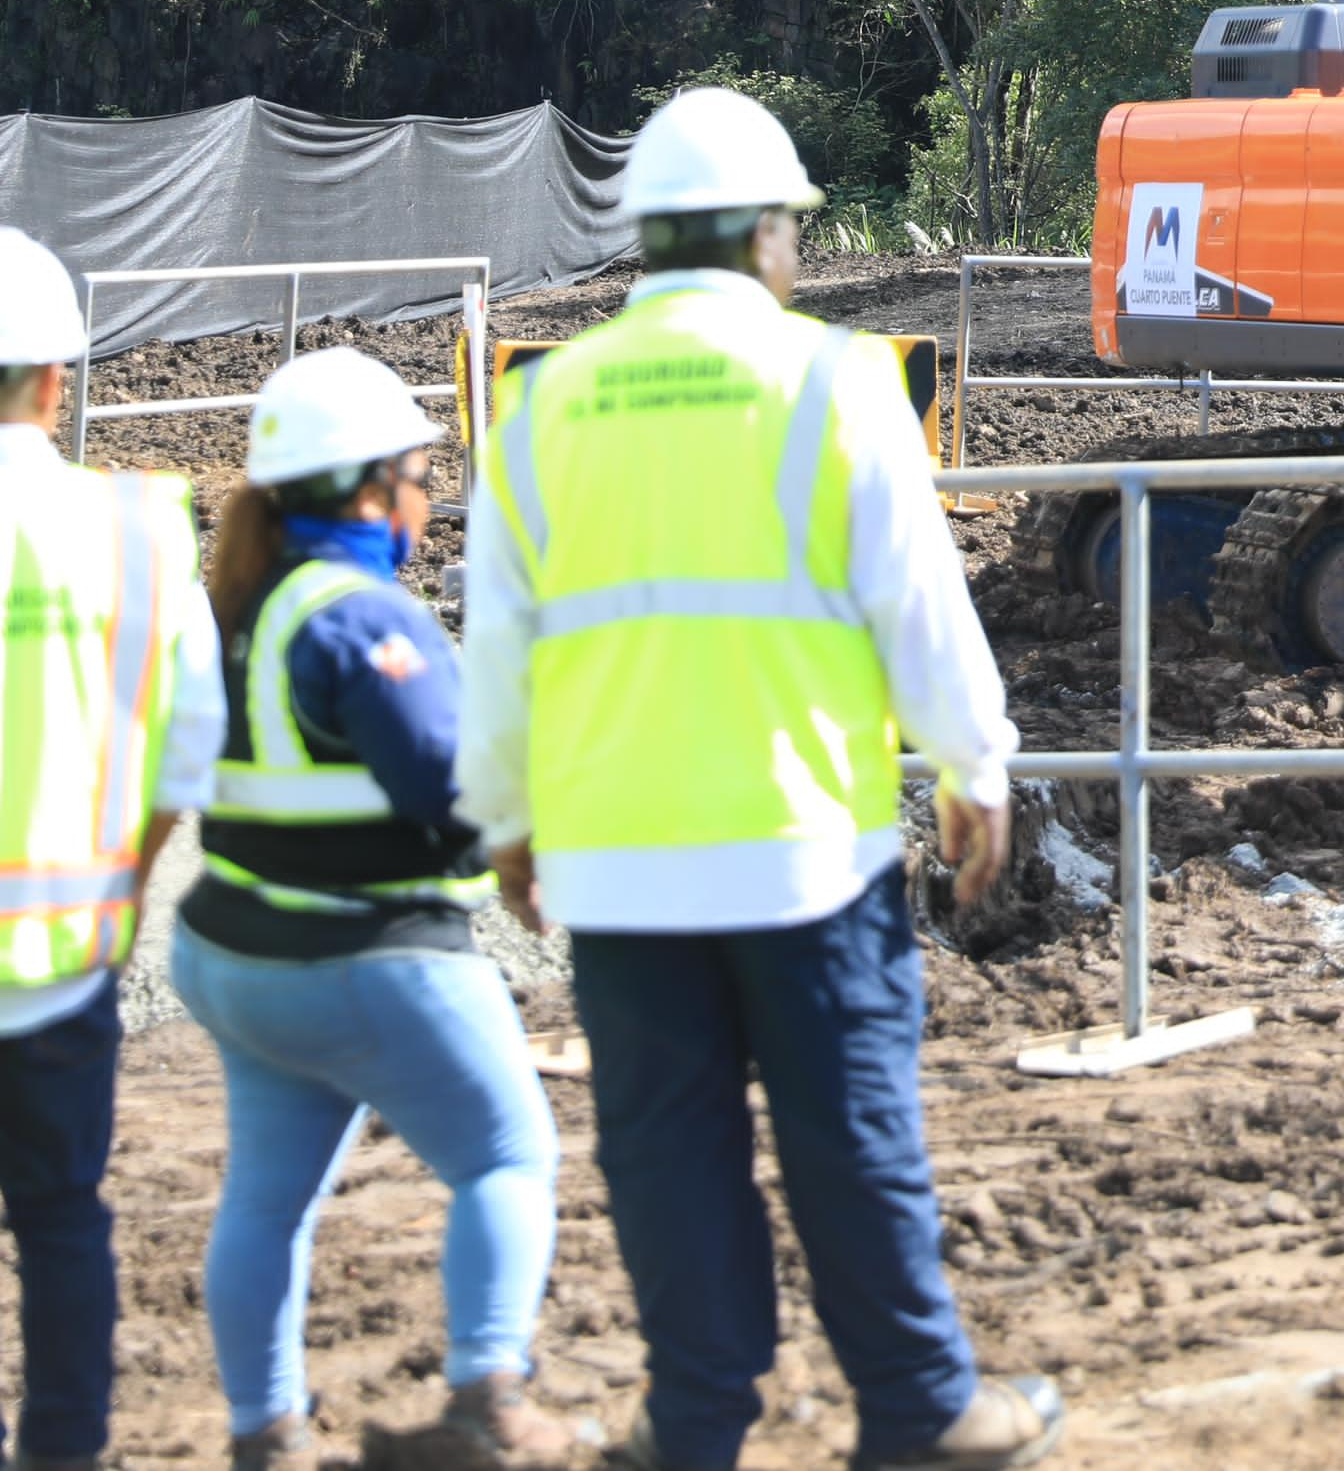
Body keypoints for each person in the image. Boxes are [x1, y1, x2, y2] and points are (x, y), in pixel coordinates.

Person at [454, 91, 1055, 1471]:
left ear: (646, 238)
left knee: (666, 1158)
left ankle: (693, 1423)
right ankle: (919, 1411)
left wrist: (505, 819)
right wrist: (975, 764)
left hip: (617, 860)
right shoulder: (837, 378)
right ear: (770, 235)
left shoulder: (543, 406)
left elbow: (499, 649)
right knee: (851, 1136)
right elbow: (919, 606)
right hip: (804, 854)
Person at [173, 346, 592, 1471]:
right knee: (508, 1154)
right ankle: (488, 1406)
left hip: (236, 945)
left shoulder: (238, 604)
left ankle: (266, 1433)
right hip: (363, 950)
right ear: (369, 489)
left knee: (266, 1198)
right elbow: (448, 788)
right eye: (417, 470)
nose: (425, 492)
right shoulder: (365, 618)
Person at [0, 225, 226, 1471]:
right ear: (57, 380)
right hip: (64, 963)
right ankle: (67, 1449)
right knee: (60, 1222)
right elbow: (191, 746)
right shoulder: (141, 532)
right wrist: (125, 882)